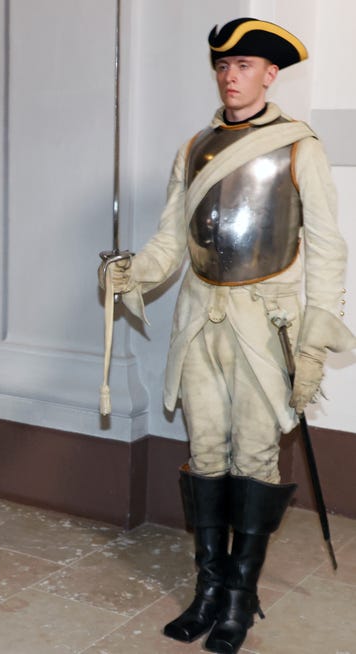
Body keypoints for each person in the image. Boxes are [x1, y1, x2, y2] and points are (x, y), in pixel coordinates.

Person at [105, 19, 354, 654]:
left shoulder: (300, 146)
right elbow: (171, 240)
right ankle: (209, 589)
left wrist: (315, 344)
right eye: (223, 66)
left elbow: (327, 252)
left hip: (262, 325)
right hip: (199, 318)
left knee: (256, 458)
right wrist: (132, 270)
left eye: (244, 65)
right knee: (207, 454)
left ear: (271, 75)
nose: (231, 75)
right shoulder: (194, 147)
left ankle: (242, 599)